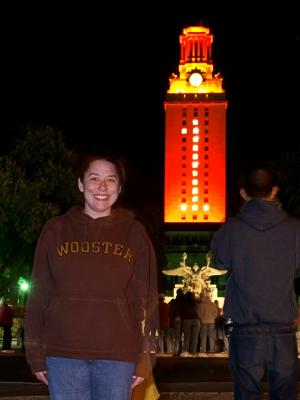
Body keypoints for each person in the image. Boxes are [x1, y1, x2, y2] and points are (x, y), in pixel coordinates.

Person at [24, 151, 158, 400]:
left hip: (118, 354)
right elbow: (38, 295)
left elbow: (147, 299)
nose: (102, 187)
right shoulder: (56, 229)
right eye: (94, 178)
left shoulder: (135, 233)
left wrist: (146, 358)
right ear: (80, 183)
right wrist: (34, 353)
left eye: (111, 179)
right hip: (62, 352)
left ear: (120, 186)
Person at [210, 163, 300, 400]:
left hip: (245, 328)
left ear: (243, 193)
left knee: (247, 394)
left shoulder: (232, 228)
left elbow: (218, 261)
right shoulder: (295, 228)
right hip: (283, 330)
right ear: (274, 191)